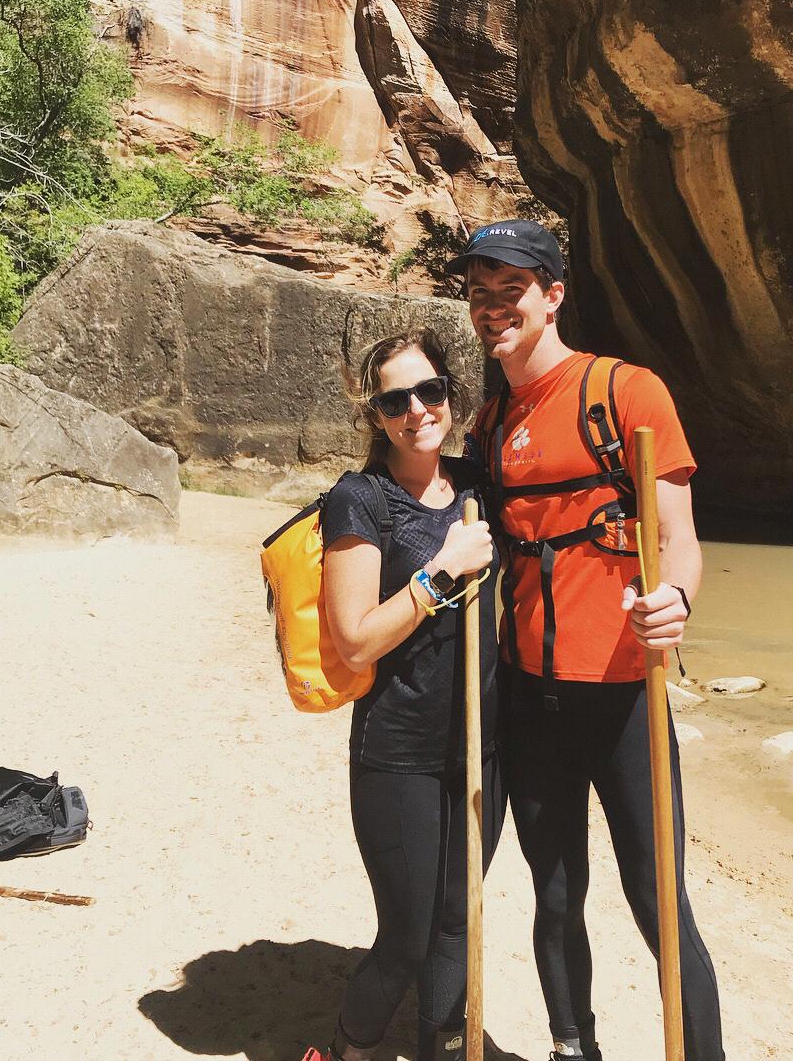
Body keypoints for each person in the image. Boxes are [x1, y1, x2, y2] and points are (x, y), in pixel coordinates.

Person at [445, 220, 725, 1061]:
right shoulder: (489, 426)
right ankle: (577, 1049)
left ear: (553, 295)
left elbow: (677, 534)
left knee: (657, 900)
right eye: (480, 295)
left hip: (623, 695)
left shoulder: (626, 393)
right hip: (532, 698)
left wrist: (675, 599)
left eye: (512, 292)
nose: (494, 310)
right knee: (556, 895)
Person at [304, 325, 505, 1061]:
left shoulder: (478, 486)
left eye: (431, 390)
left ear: (450, 393)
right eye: (396, 399)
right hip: (397, 752)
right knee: (409, 934)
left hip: (484, 749)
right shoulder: (360, 499)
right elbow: (354, 638)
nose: (417, 409)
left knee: (459, 920)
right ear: (376, 414)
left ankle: (439, 1049)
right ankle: (348, 1049)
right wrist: (441, 571)